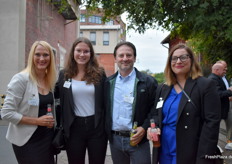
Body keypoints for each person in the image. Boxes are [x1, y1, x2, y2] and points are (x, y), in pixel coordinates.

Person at [148, 43, 221, 164]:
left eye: (183, 57)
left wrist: (203, 158)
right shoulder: (163, 88)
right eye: (174, 58)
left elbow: (211, 124)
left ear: (191, 60)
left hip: (190, 152)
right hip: (164, 150)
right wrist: (153, 127)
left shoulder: (205, 85)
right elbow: (156, 114)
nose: (178, 61)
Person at [1, 41, 57, 164]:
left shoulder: (51, 80)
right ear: (32, 56)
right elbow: (6, 113)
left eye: (46, 55)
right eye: (37, 54)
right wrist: (37, 121)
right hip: (26, 140)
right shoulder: (21, 79)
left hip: (47, 138)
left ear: (51, 58)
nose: (41, 58)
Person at [55, 37, 107, 164]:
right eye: (79, 51)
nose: (82, 55)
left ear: (91, 54)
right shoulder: (64, 74)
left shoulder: (100, 74)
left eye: (86, 51)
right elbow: (56, 96)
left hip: (96, 126)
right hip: (73, 128)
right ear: (73, 52)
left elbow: (106, 100)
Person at [104, 41, 158, 164]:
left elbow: (155, 110)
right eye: (121, 55)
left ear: (134, 58)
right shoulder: (108, 83)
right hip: (115, 140)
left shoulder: (148, 82)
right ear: (115, 58)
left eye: (129, 55)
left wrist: (144, 128)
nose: (125, 59)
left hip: (138, 140)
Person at [209, 61, 232, 150]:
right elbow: (218, 94)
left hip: (225, 105)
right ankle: (213, 145)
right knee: (214, 127)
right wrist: (230, 91)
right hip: (218, 107)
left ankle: (229, 142)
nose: (225, 71)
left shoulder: (220, 77)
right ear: (217, 70)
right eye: (223, 69)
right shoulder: (213, 79)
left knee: (230, 123)